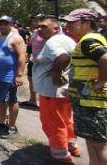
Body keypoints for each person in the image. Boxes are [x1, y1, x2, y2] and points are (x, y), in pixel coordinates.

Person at [33, 16, 81, 163]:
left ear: (55, 28)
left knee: (53, 122)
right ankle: (71, 145)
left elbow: (63, 57)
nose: (39, 29)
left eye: (43, 27)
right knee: (65, 119)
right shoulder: (66, 39)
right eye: (39, 26)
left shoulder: (53, 41)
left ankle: (61, 154)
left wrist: (56, 72)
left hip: (51, 91)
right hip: (63, 90)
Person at [62, 9, 107, 165]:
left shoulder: (89, 40)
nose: (68, 25)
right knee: (92, 143)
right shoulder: (87, 39)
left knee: (99, 146)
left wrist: (101, 81)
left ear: (87, 23)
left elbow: (105, 58)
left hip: (93, 103)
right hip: (86, 101)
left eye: (72, 22)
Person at [0, 16, 27, 139]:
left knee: (11, 100)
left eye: (6, 24)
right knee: (1, 99)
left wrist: (19, 75)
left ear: (11, 24)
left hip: (9, 76)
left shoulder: (15, 38)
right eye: (1, 24)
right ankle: (2, 122)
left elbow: (22, 56)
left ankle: (12, 126)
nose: (3, 26)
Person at [22, 14, 45, 109]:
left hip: (43, 62)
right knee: (30, 79)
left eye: (36, 20)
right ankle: (33, 100)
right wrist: (27, 54)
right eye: (33, 21)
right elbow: (30, 45)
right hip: (33, 60)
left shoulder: (46, 33)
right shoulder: (35, 32)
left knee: (42, 81)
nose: (34, 22)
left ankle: (43, 103)